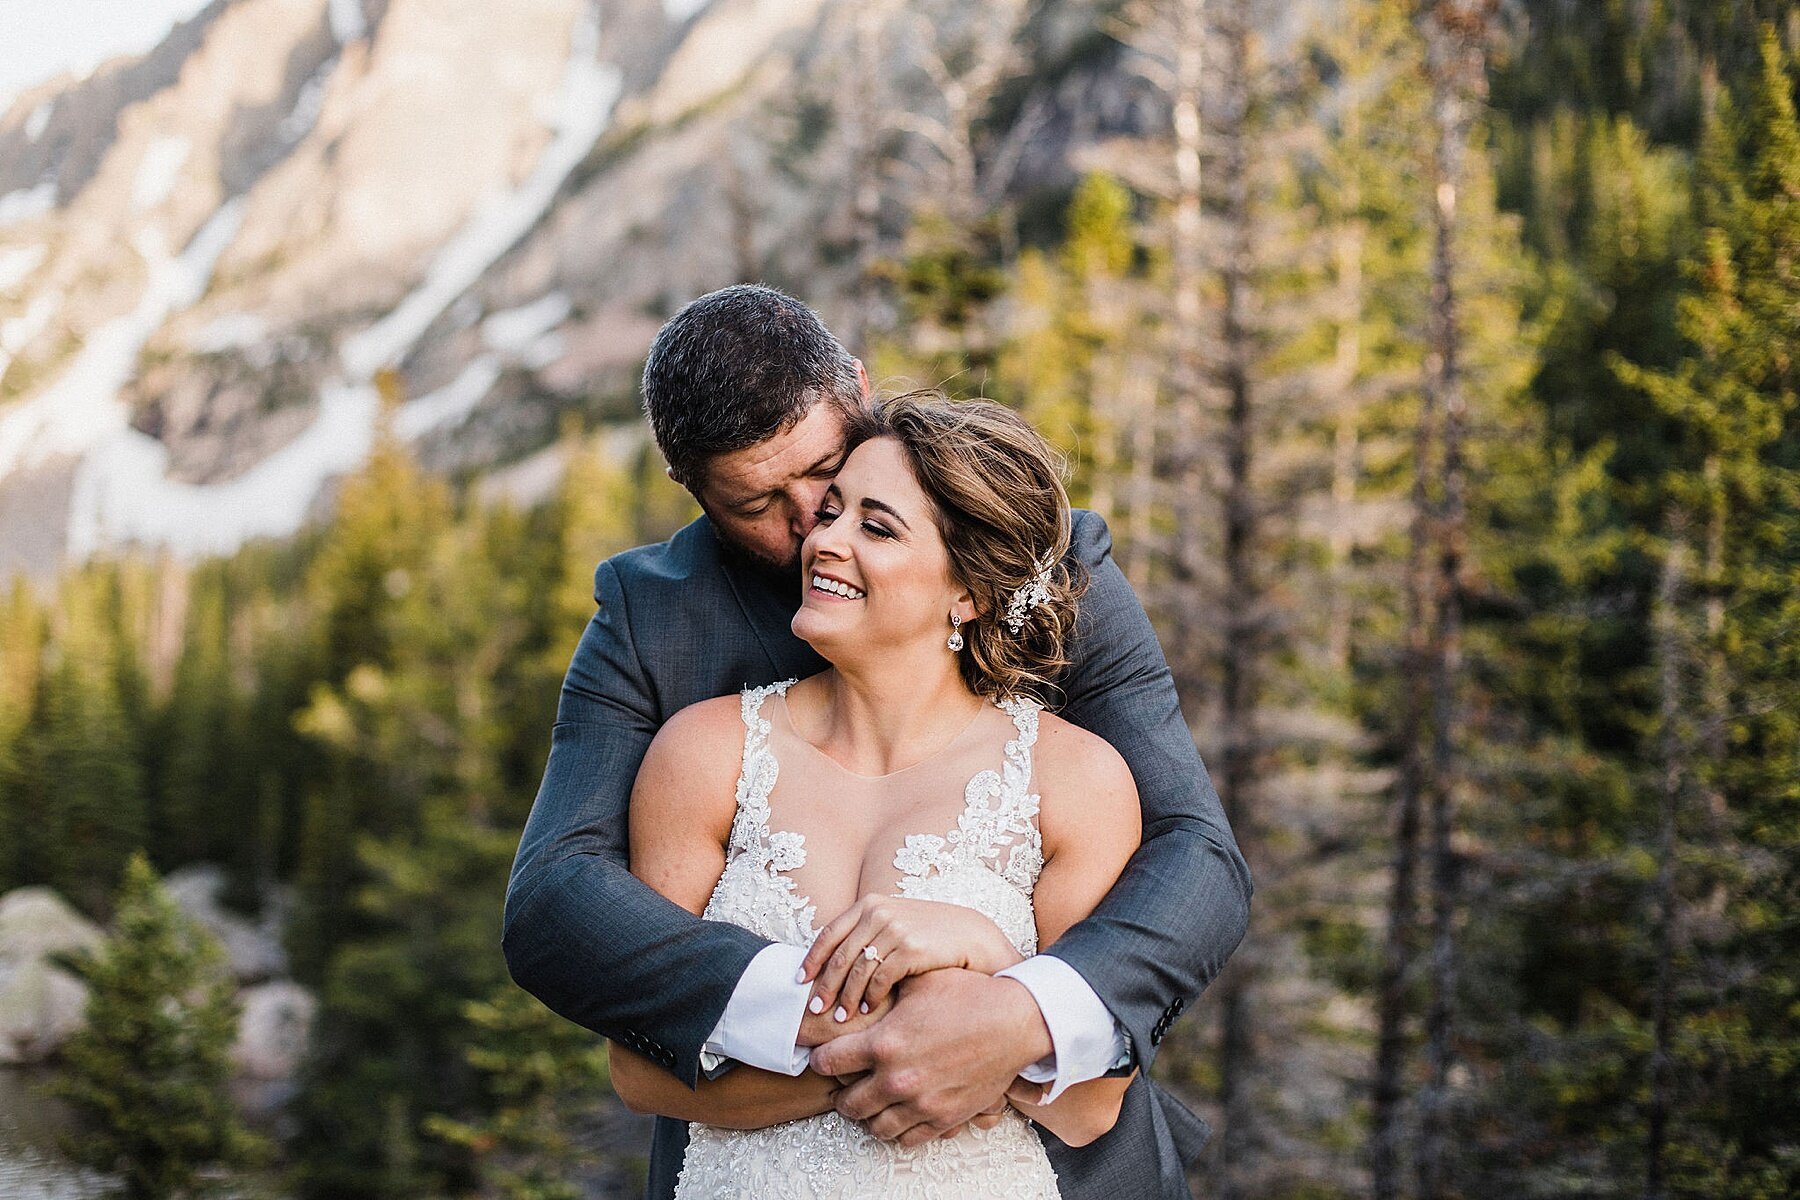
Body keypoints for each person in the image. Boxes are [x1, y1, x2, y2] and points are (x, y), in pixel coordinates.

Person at [501, 285, 1251, 1199]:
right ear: (693, 489)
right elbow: (554, 896)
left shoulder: (1050, 569)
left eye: (827, 470)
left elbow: (1197, 852)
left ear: (856, 388)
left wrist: (1018, 1014)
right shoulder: (654, 622)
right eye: (754, 503)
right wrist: (828, 1023)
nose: (811, 522)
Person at [613, 393, 1141, 1196]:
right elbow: (639, 1069)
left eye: (876, 526)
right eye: (832, 512)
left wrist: (991, 955)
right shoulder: (703, 753)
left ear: (967, 594)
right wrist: (900, 1059)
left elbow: (1093, 1104)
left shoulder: (1074, 781)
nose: (824, 541)